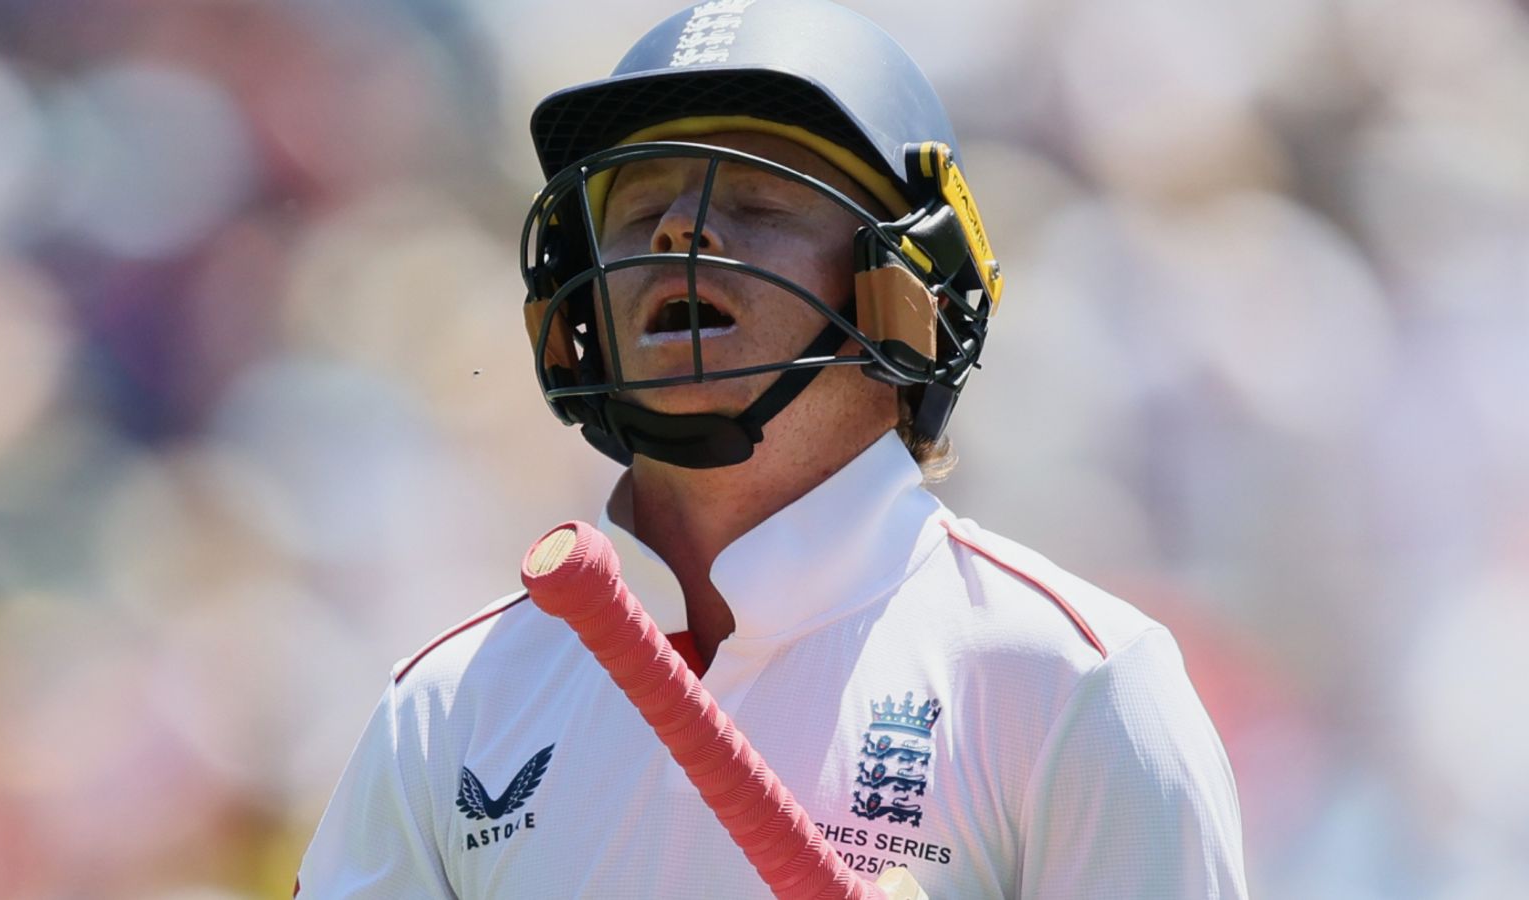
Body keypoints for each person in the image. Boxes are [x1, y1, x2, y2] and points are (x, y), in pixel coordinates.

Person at [295, 0, 1248, 896]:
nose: (679, 227)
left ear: (902, 284)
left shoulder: (1072, 684)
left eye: (757, 200)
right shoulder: (447, 709)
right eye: (637, 209)